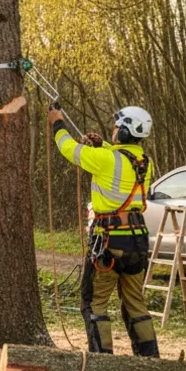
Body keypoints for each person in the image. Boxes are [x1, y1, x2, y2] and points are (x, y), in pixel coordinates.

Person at [46, 104, 158, 357]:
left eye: (117, 128)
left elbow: (69, 149)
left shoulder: (107, 160)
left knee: (94, 303)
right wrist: (103, 145)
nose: (113, 130)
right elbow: (120, 158)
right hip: (137, 241)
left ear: (126, 132)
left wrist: (57, 124)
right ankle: (150, 360)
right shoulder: (144, 163)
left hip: (109, 241)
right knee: (135, 304)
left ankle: (102, 362)